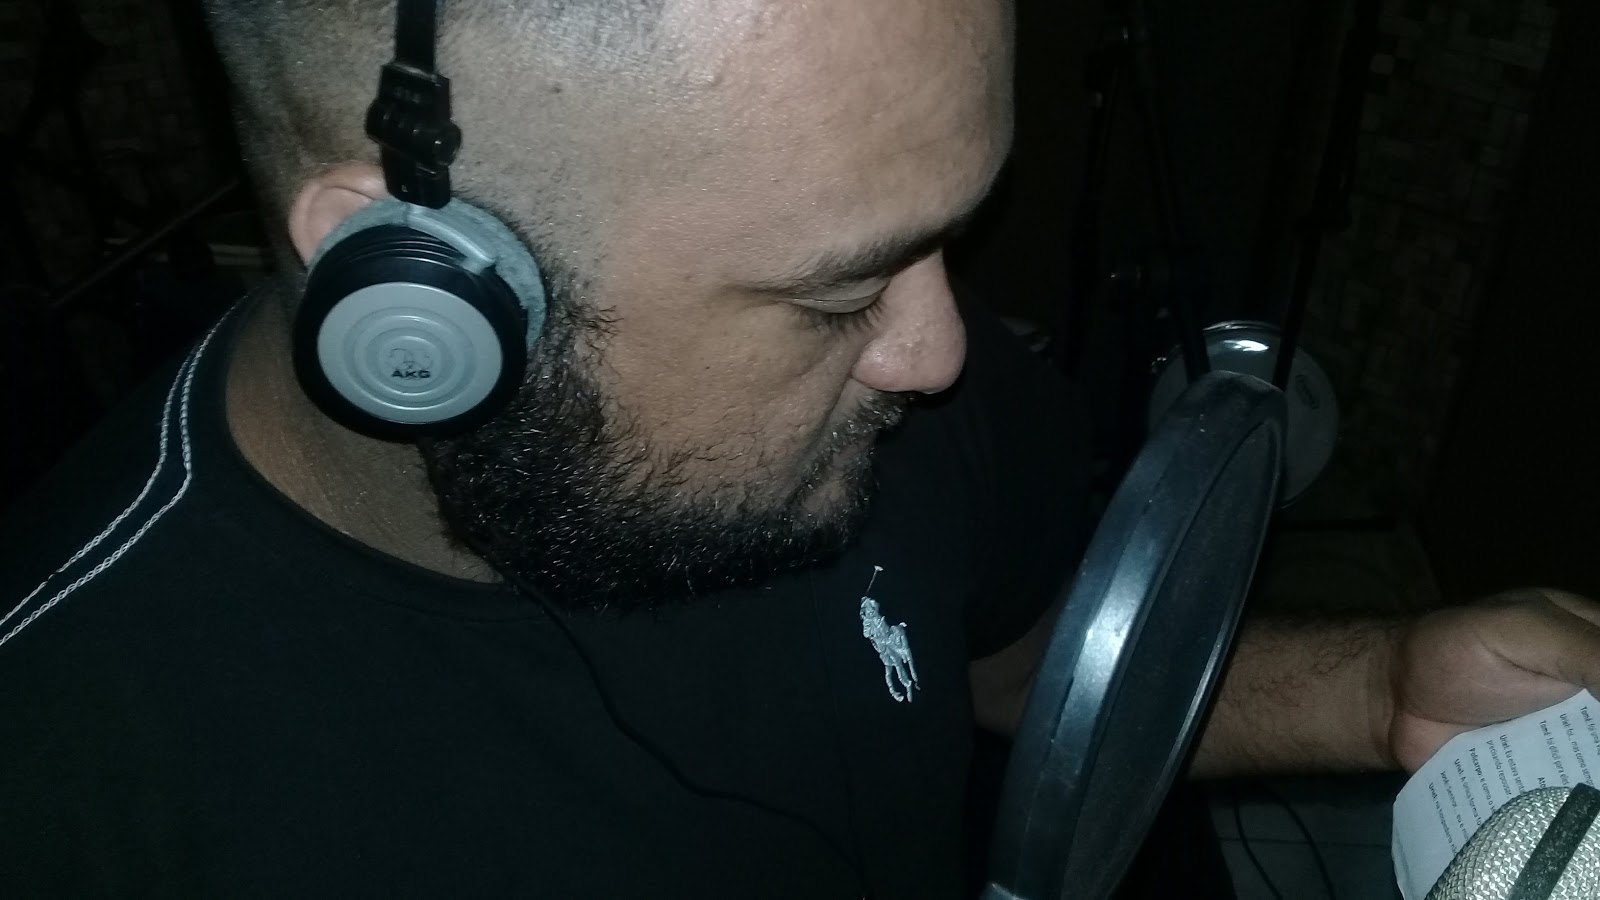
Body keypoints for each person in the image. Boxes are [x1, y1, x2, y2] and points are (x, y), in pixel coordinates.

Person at [2, 1, 1596, 897]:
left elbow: (1012, 658)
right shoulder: (74, 793)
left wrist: (1380, 692)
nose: (939, 351)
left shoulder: (907, 394)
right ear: (416, 296)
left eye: (944, 236)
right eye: (833, 299)